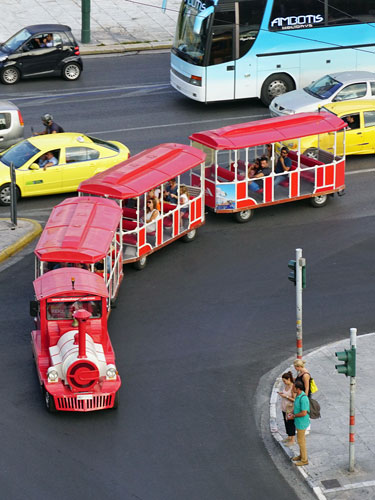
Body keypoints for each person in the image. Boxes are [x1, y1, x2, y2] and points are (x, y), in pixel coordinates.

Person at [288, 379, 310, 466]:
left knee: (301, 441)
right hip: (298, 421)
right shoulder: (298, 396)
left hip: (302, 422)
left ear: (298, 388)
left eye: (293, 387)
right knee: (301, 440)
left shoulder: (303, 398)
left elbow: (304, 412)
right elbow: (296, 407)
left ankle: (304, 460)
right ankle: (301, 456)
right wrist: (292, 412)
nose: (292, 388)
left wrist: (294, 416)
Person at [278, 371, 296, 446]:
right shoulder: (286, 386)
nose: (284, 382)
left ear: (289, 379)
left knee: (291, 423)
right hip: (284, 407)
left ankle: (292, 440)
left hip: (290, 408)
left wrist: (286, 396)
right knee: (286, 422)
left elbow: (294, 399)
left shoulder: (293, 387)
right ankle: (289, 436)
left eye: (285, 381)